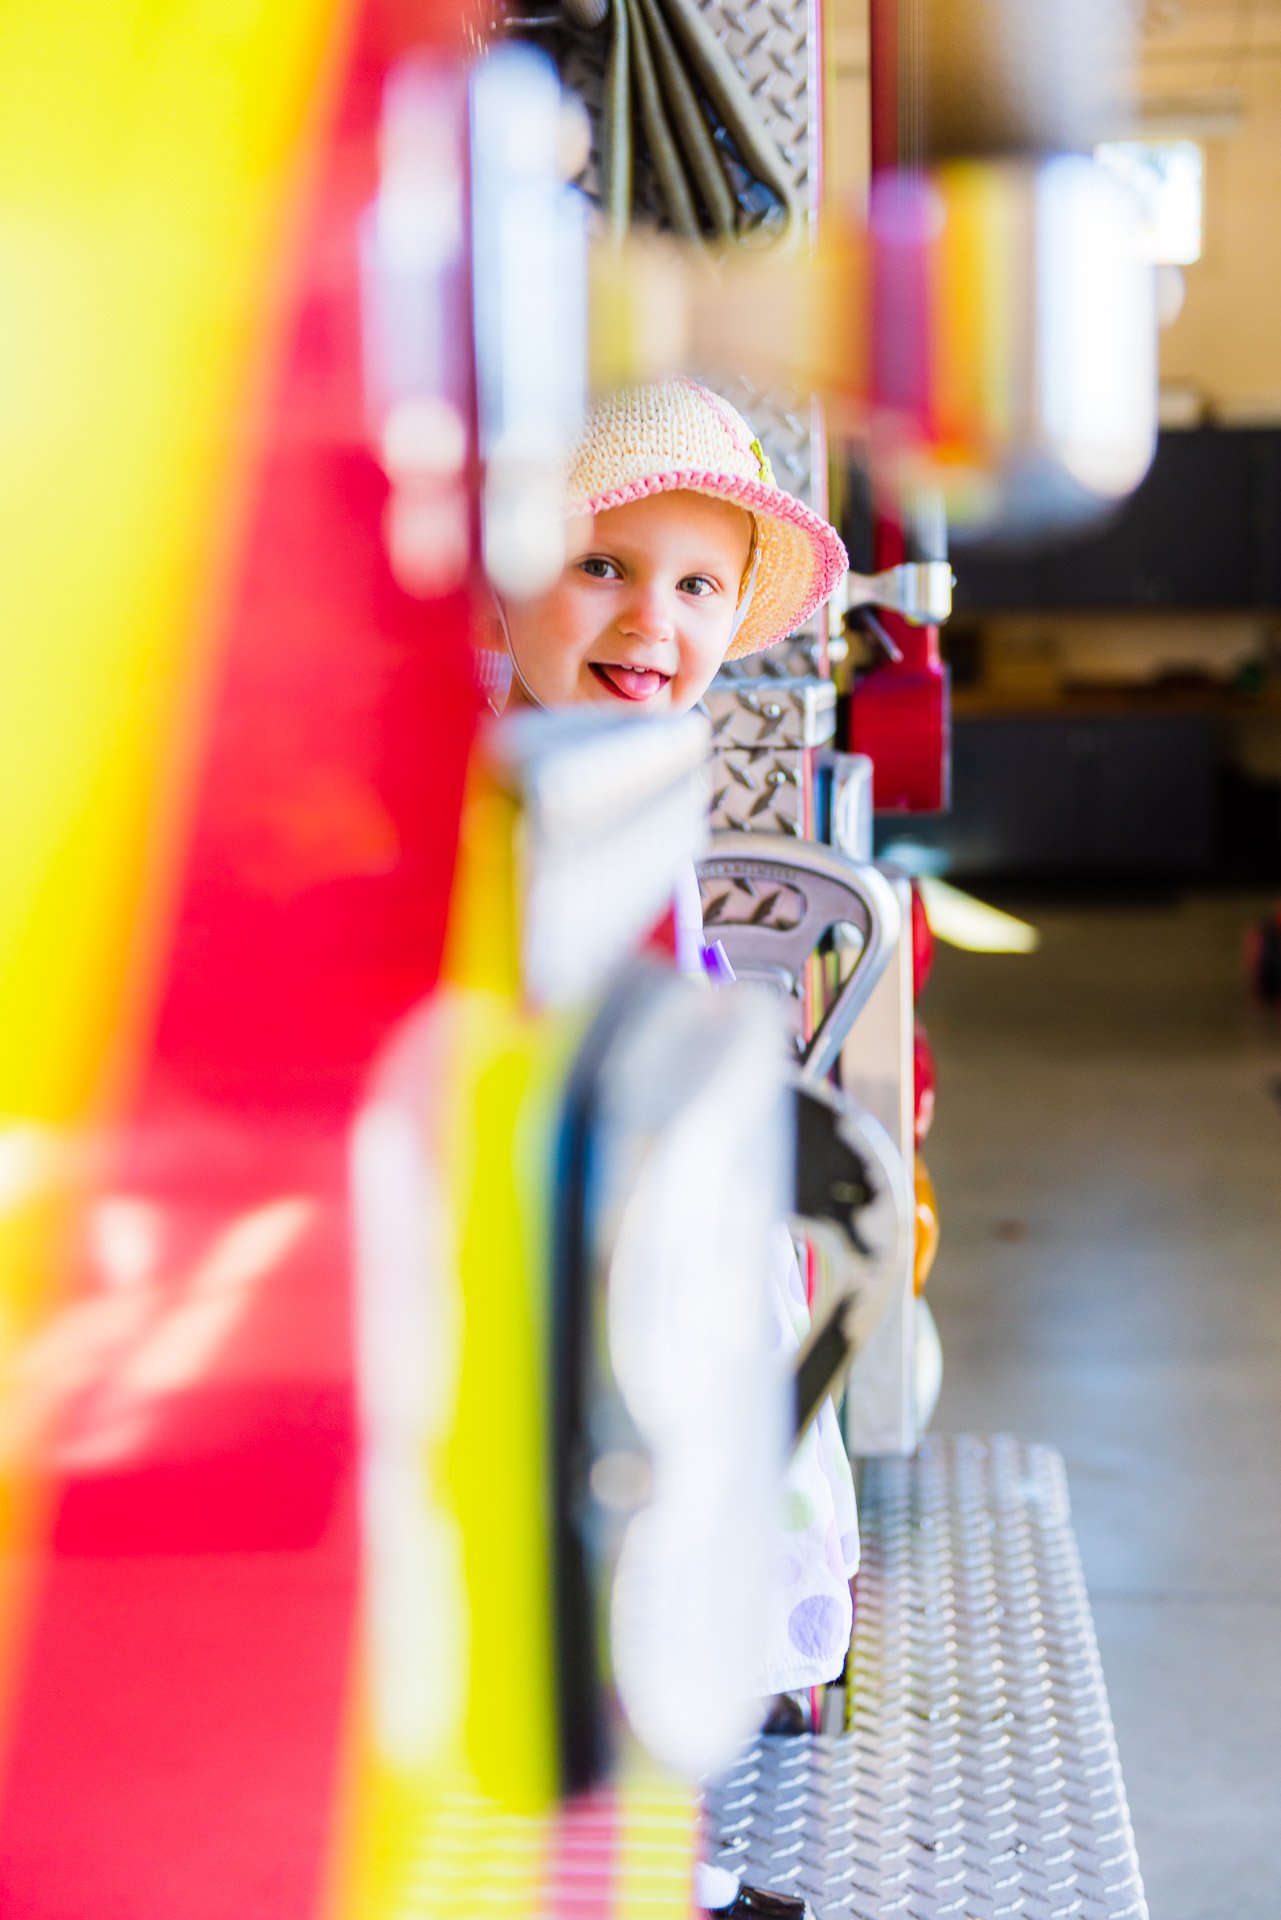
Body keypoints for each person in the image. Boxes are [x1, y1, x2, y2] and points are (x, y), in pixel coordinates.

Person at [488, 374, 860, 1706]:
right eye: (604, 564)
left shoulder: (637, 770)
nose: (653, 618)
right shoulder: (514, 783)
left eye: (700, 587)